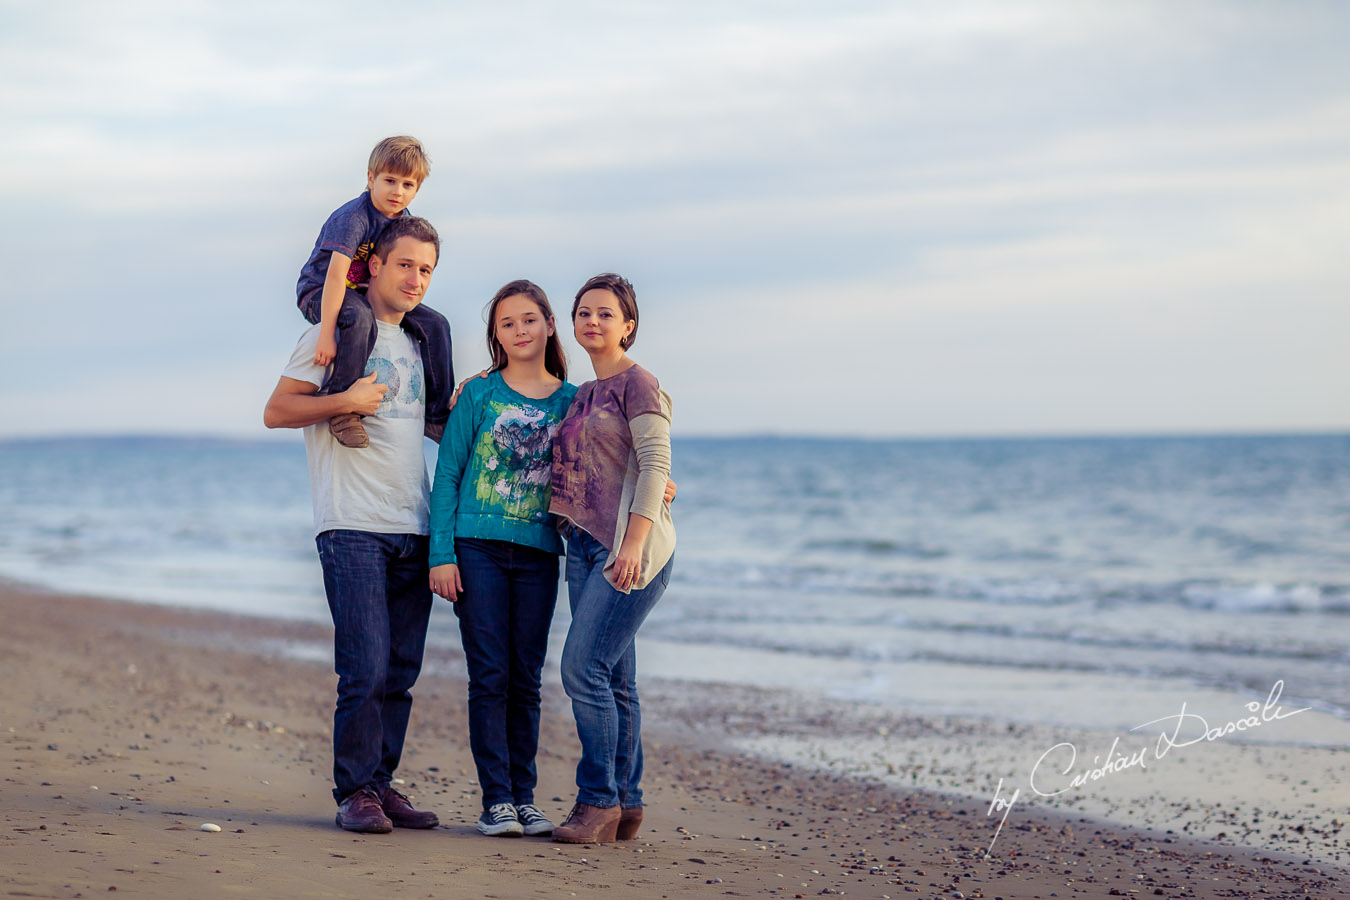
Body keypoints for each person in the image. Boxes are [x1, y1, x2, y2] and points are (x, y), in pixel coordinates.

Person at [263, 216, 448, 834]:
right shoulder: (335, 331)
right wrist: (344, 401)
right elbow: (277, 411)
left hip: (414, 525)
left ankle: (381, 784)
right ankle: (354, 794)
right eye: (405, 265)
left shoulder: (423, 342)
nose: (416, 278)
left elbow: (433, 429)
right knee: (364, 667)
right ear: (373, 266)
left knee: (400, 672)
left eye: (426, 269)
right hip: (350, 523)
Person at [427, 280, 577, 838]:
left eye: (529, 320)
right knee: (489, 675)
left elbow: (608, 464)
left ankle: (525, 798)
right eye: (508, 323)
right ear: (496, 333)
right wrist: (441, 554)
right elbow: (448, 474)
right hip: (477, 549)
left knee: (526, 680)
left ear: (549, 326)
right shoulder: (479, 394)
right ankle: (497, 803)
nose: (519, 331)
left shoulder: (572, 400)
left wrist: (660, 483)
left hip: (539, 554)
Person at [548, 273, 675, 844]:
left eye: (605, 313)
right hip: (584, 545)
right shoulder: (583, 393)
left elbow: (655, 465)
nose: (592, 322)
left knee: (581, 667)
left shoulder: (638, 384)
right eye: (583, 313)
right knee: (616, 678)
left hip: (628, 549)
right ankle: (627, 802)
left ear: (628, 326)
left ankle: (597, 801)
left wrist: (632, 546)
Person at [295, 136, 453, 448]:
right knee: (359, 315)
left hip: (364, 292)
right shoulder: (353, 218)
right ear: (371, 179)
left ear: (417, 189)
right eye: (390, 181)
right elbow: (336, 276)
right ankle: (343, 406)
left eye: (408, 185)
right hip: (320, 290)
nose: (398, 192)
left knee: (437, 324)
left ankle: (436, 417)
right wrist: (327, 332)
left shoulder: (403, 222)